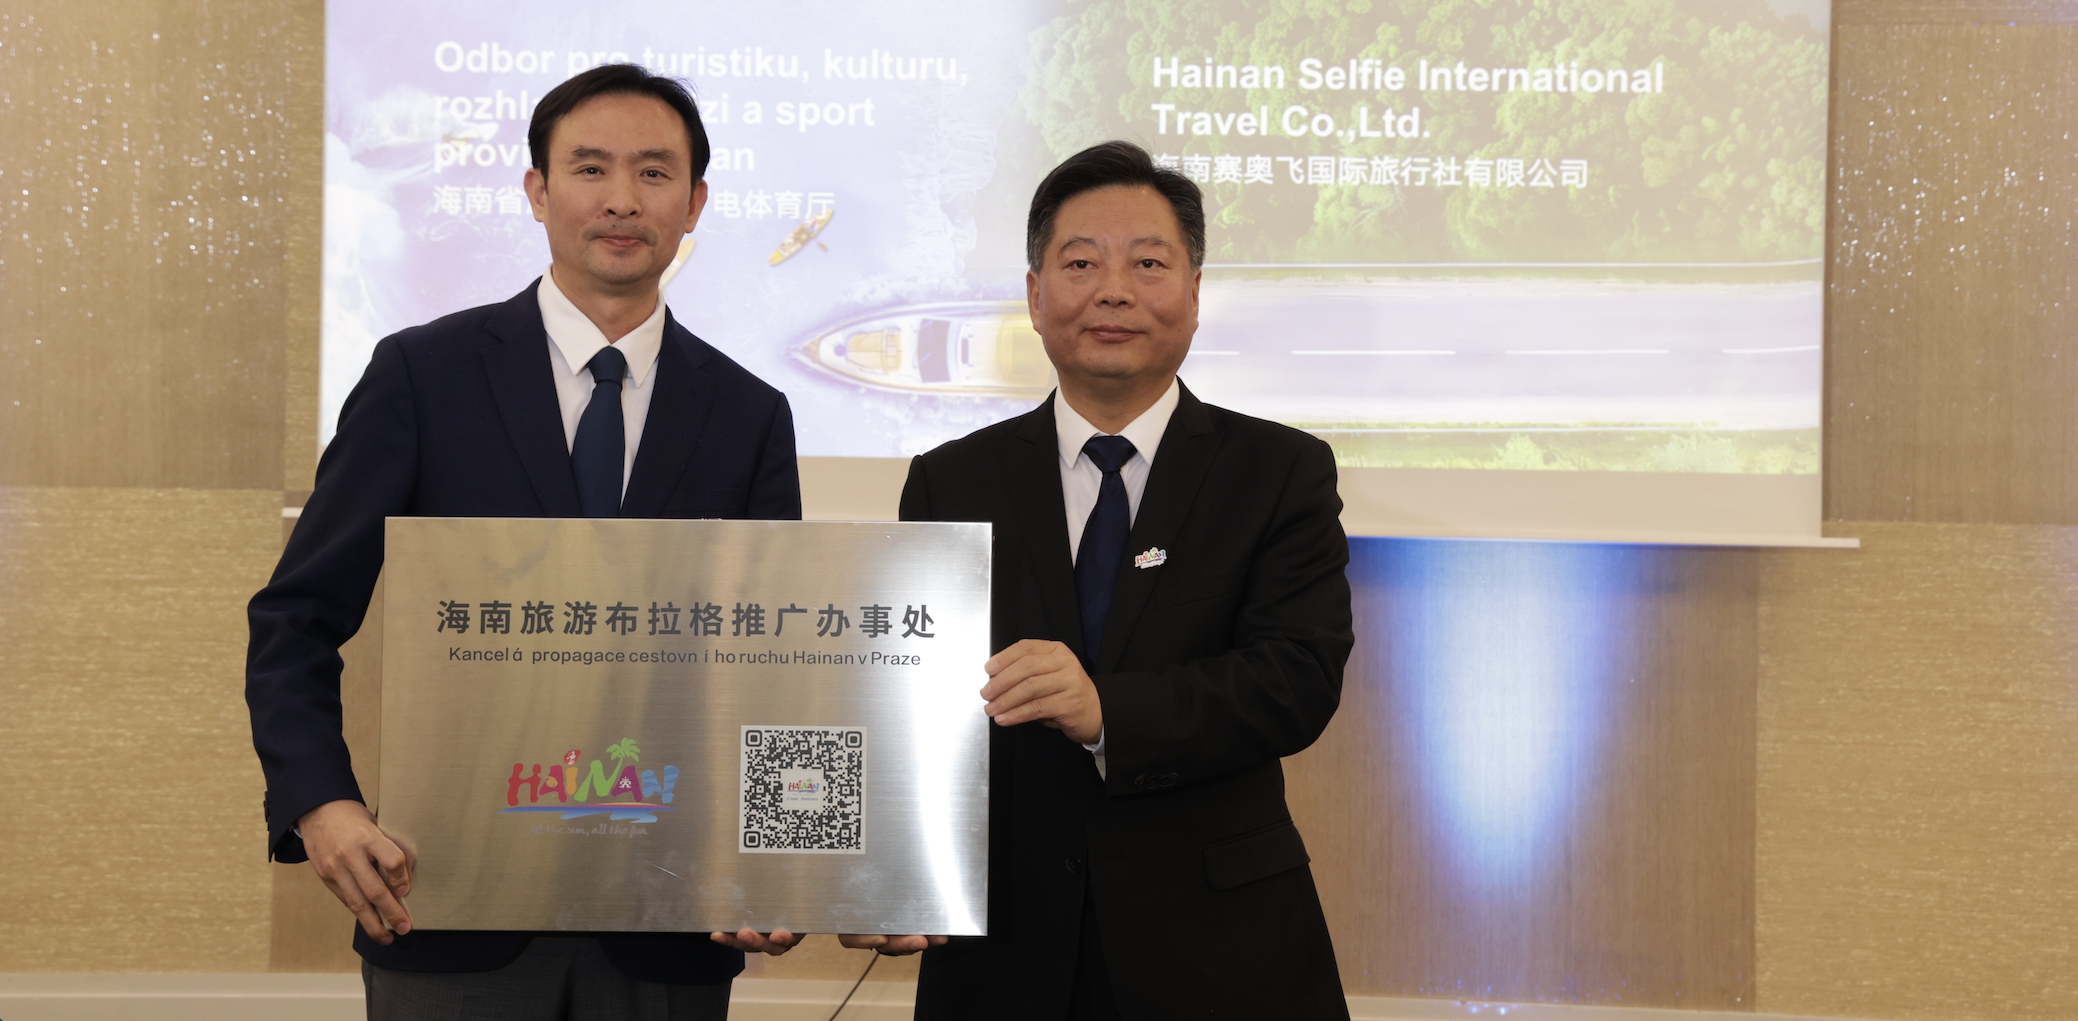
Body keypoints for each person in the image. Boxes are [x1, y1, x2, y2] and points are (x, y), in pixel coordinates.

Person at [245, 64, 803, 1020]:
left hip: (668, 930)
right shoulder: (422, 375)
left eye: (654, 173)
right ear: (538, 191)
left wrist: (782, 864)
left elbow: (777, 669)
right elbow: (295, 617)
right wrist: (320, 803)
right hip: (446, 911)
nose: (622, 199)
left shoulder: (748, 414)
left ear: (696, 203)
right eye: (590, 169)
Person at [846, 141, 1354, 1018]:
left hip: (1218, 949)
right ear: (1035, 295)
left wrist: (1106, 709)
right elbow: (905, 700)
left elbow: (1295, 681)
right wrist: (880, 871)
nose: (1114, 291)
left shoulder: (1278, 471)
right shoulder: (950, 480)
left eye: (1148, 263)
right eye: (1081, 263)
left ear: (1195, 292)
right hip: (1006, 950)